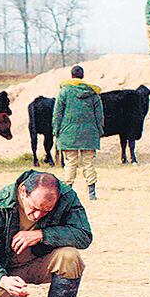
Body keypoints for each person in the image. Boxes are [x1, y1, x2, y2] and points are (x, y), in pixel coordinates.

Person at [0, 170, 92, 297]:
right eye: (34, 208)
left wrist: (42, 234)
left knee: (70, 256)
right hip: (5, 269)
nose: (37, 215)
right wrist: (2, 280)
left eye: (46, 211)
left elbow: (84, 236)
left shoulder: (66, 197)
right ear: (23, 192)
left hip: (40, 263)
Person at [53, 65, 103, 201]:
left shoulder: (64, 92)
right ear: (83, 75)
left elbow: (57, 113)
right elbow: (99, 115)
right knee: (89, 163)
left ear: (72, 75)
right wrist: (99, 131)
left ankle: (68, 192)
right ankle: (92, 193)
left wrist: (56, 130)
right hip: (89, 133)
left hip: (68, 133)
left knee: (70, 163)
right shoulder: (93, 93)